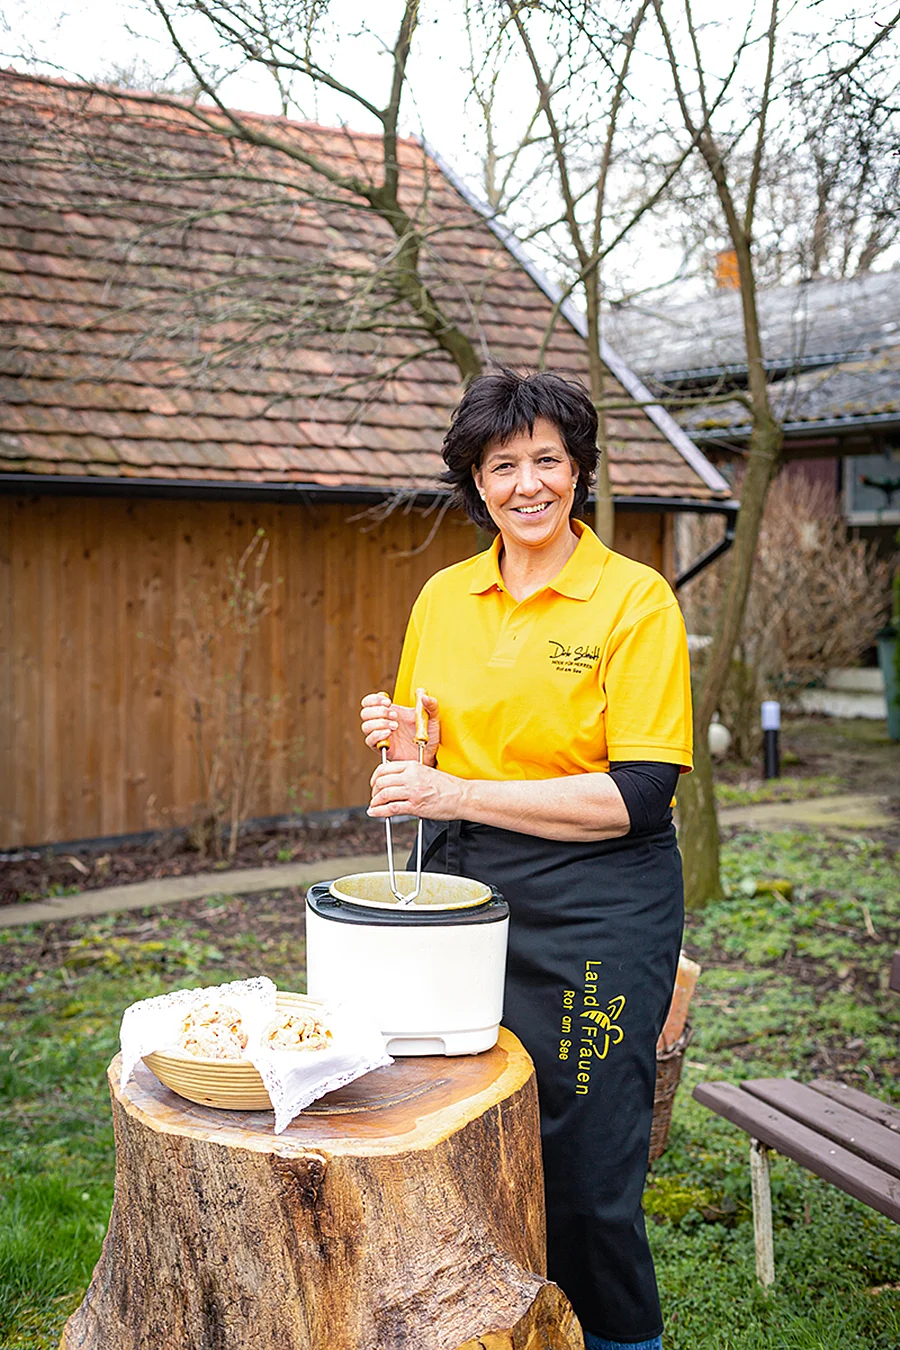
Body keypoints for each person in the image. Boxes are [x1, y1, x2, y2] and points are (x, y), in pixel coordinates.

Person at [360, 369, 692, 1350]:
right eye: (502, 465)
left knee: (586, 1180)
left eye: (547, 458)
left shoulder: (634, 603)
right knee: (448, 1134)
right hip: (456, 887)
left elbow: (638, 795)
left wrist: (453, 790)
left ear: (579, 470)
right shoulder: (445, 597)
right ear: (476, 481)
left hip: (597, 905)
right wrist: (400, 749)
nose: (527, 483)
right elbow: (423, 759)